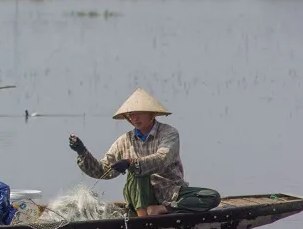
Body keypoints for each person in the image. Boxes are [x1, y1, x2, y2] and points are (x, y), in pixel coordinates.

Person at [68, 88, 219, 217]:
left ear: (151, 114)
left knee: (212, 197)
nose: (135, 118)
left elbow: (162, 158)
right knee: (137, 172)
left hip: (170, 192)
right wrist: (82, 152)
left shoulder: (169, 133)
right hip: (139, 198)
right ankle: (142, 217)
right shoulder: (124, 141)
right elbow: (104, 170)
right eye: (132, 114)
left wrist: (130, 162)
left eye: (139, 113)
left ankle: (164, 209)